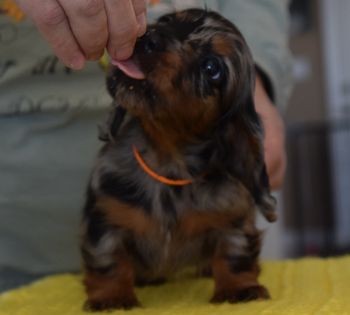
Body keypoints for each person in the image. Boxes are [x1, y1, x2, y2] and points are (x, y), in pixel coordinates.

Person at [0, 0, 293, 291]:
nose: (156, 40)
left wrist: (253, 82)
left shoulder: (226, 195)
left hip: (192, 290)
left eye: (210, 67)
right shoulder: (114, 180)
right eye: (165, 24)